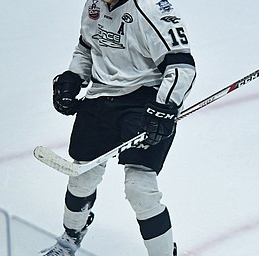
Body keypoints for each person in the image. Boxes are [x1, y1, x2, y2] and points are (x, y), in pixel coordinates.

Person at [40, 0, 196, 255]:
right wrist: (73, 77)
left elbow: (182, 67)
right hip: (101, 96)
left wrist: (165, 108)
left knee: (140, 187)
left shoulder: (154, 9)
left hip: (145, 99)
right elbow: (86, 47)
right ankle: (70, 239)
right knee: (81, 176)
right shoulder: (94, 5)